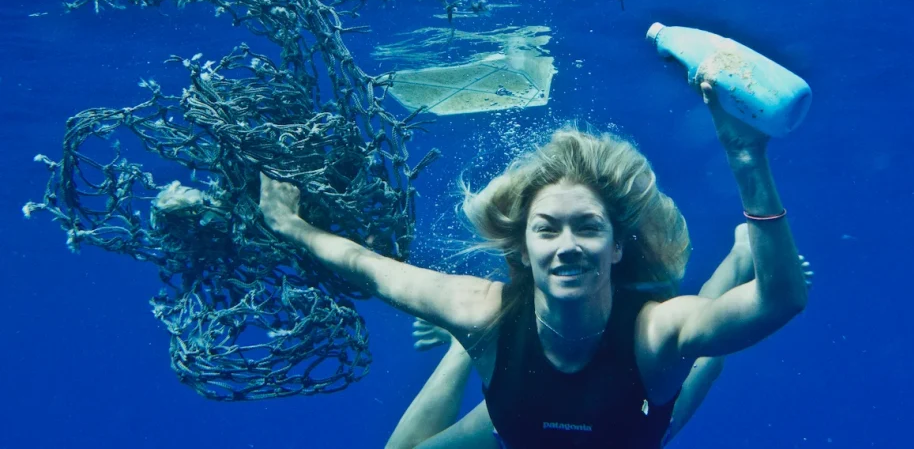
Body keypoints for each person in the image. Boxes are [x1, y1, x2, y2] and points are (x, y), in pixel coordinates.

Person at [259, 79, 809, 448]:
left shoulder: (653, 332)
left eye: (589, 227)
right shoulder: (478, 309)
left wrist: (746, 158)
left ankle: (741, 256)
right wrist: (291, 225)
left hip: (632, 433)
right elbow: (367, 266)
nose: (567, 244)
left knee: (700, 350)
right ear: (522, 249)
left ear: (617, 247)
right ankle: (463, 347)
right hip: (514, 425)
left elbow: (779, 300)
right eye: (547, 228)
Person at [386, 227, 814, 448]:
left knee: (701, 353)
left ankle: (469, 343)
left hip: (517, 433)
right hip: (631, 434)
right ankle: (741, 254)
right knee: (705, 357)